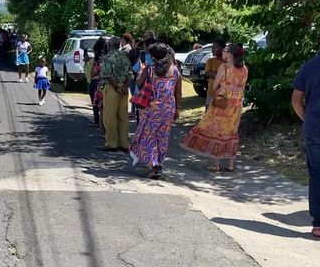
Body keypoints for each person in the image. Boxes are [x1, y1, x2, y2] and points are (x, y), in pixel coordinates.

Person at [291, 22, 320, 240]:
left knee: (316, 177)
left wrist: (306, 118)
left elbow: (296, 100)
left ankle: (318, 224)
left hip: (314, 129)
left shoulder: (308, 66)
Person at [180, 43, 248, 171]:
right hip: (236, 104)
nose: (223, 52)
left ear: (230, 54)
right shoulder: (244, 69)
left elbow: (215, 85)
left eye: (225, 51)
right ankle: (230, 164)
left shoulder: (224, 67)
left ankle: (216, 163)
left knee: (218, 129)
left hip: (223, 102)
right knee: (232, 130)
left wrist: (224, 88)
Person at [129, 43, 183, 179]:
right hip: (169, 108)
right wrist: (178, 110)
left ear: (152, 57)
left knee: (149, 136)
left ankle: (154, 165)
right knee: (163, 138)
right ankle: (159, 164)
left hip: (153, 108)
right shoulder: (175, 70)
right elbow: (178, 92)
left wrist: (141, 71)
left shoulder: (150, 69)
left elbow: (139, 84)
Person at [101, 37, 133, 152]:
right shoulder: (125, 57)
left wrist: (117, 88)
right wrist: (125, 87)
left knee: (110, 116)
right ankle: (124, 143)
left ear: (109, 45)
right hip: (124, 89)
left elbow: (108, 75)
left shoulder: (107, 58)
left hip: (112, 88)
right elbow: (130, 74)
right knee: (123, 116)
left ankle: (111, 143)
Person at [85, 38, 108, 132]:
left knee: (96, 102)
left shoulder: (99, 58)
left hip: (96, 81)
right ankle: (100, 122)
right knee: (101, 104)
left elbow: (93, 73)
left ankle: (98, 121)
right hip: (103, 82)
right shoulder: (107, 56)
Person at [204, 40, 227, 107]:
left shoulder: (228, 62)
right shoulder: (211, 61)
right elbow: (207, 73)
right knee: (208, 111)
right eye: (212, 48)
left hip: (224, 93)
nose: (212, 50)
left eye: (215, 48)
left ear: (222, 49)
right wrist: (221, 76)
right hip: (211, 92)